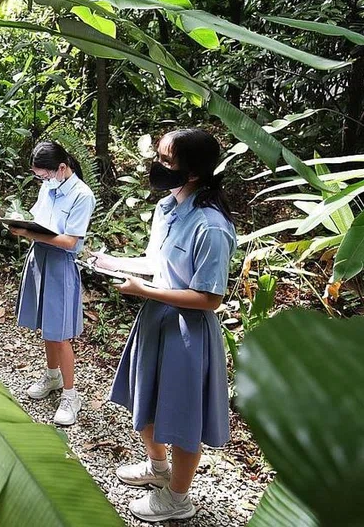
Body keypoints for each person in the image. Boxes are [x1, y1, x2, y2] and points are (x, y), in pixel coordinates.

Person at [94, 128, 236, 523]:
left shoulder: (211, 226)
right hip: (156, 321)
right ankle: (158, 469)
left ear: (192, 173)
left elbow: (210, 298)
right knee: (147, 401)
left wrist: (147, 292)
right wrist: (113, 263)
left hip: (189, 333)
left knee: (184, 417)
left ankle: (177, 498)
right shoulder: (167, 208)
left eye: (166, 161)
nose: (157, 166)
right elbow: (158, 265)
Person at [10, 141, 95, 426]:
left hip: (60, 265)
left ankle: (71, 395)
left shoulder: (82, 195)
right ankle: (52, 375)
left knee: (60, 333)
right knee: (47, 325)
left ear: (61, 167)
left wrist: (28, 233)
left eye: (44, 175)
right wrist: (23, 225)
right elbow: (39, 220)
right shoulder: (48, 186)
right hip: (40, 258)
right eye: (38, 176)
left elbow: (71, 242)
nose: (42, 180)